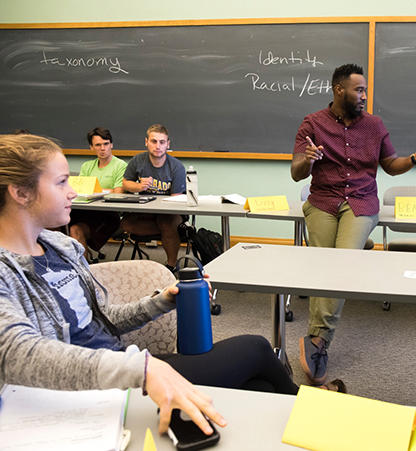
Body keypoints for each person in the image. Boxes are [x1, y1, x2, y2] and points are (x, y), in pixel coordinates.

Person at [0, 134, 345, 438]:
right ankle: (317, 414)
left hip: (123, 366)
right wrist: (144, 369)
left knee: (259, 386)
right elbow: (18, 353)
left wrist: (160, 302)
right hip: (86, 390)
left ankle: (310, 422)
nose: (73, 190)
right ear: (20, 192)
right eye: (61, 182)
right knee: (256, 350)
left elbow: (104, 319)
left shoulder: (63, 248)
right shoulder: (5, 270)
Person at [290, 63, 416, 384]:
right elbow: (297, 172)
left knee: (343, 263)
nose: (364, 95)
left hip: (361, 203)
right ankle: (320, 329)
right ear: (340, 90)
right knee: (325, 264)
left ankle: (319, 339)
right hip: (323, 201)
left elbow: (391, 165)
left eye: (364, 90)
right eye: (358, 90)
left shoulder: (374, 126)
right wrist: (307, 160)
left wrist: (415, 159)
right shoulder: (312, 124)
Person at [122, 124, 185, 272]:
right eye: (153, 141)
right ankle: (169, 234)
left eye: (162, 142)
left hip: (169, 213)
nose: (158, 146)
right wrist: (137, 187)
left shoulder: (176, 166)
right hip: (144, 210)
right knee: (125, 224)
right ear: (146, 142)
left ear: (168, 144)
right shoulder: (137, 161)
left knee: (167, 223)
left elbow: (176, 199)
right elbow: (125, 183)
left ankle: (171, 265)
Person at [68, 127, 127, 260]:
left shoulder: (120, 165)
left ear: (111, 144)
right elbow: (80, 190)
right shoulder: (87, 166)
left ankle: (83, 269)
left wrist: (96, 191)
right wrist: (105, 190)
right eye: (98, 145)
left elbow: (118, 193)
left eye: (106, 144)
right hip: (86, 211)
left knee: (74, 229)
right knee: (56, 223)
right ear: (91, 147)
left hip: (107, 215)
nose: (102, 148)